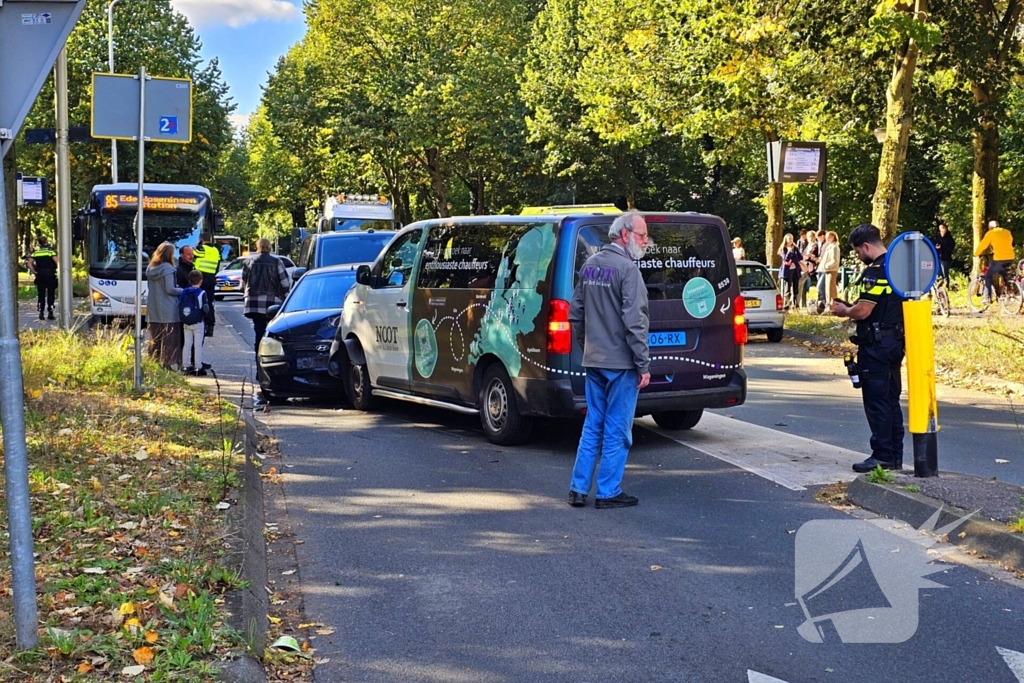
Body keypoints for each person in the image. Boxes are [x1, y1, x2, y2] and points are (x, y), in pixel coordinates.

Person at [567, 212, 651, 510]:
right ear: (625, 234)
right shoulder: (628, 270)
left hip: (595, 361)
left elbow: (575, 312)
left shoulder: (590, 265)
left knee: (593, 425)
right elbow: (635, 321)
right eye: (642, 236)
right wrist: (643, 364)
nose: (645, 242)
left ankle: (578, 488)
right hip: (621, 364)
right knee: (617, 428)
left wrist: (587, 346)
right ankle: (607, 491)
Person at [831, 224, 905, 473]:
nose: (857, 257)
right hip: (895, 342)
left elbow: (864, 310)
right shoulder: (897, 267)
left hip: (876, 346)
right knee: (891, 399)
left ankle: (882, 455)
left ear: (865, 246)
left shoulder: (875, 271)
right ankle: (895, 455)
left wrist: (845, 310)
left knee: (877, 401)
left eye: (856, 251)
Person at [242, 238, 290, 355]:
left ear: (257, 247)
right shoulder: (276, 262)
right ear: (270, 247)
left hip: (253, 304)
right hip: (272, 303)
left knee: (258, 332)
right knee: (271, 333)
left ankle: (259, 362)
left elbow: (243, 283)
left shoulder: (248, 262)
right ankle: (270, 357)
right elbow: (285, 283)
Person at [145, 242, 183, 370]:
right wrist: (184, 290)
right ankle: (167, 363)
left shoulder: (151, 268)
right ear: (169, 254)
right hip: (168, 308)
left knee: (155, 337)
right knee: (170, 337)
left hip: (153, 308)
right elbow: (170, 289)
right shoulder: (167, 268)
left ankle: (154, 362)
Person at [974, 219, 1015, 303]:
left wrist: (976, 253)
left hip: (999, 258)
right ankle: (1010, 291)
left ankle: (987, 297)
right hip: (1010, 257)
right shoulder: (1007, 232)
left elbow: (983, 245)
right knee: (1003, 273)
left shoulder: (991, 233)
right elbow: (1010, 242)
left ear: (990, 228)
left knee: (988, 276)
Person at [179, 269, 209, 376]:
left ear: (189, 280)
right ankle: (198, 367)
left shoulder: (184, 291)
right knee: (197, 345)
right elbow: (205, 308)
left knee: (187, 343)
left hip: (186, 321)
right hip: (198, 322)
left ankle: (185, 366)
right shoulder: (202, 293)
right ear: (201, 281)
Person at [194, 233, 220, 343]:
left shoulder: (201, 249)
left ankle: (198, 320)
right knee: (209, 302)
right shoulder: (215, 250)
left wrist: (197, 245)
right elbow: (218, 265)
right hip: (211, 279)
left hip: (201, 278)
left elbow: (193, 255)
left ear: (201, 240)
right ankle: (210, 325)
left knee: (198, 301)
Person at [26, 235, 58, 321]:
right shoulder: (50, 252)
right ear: (46, 242)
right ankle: (50, 312)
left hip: (40, 275)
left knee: (41, 294)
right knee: (51, 293)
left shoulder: (36, 253)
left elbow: (29, 263)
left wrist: (34, 272)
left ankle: (41, 312)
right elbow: (57, 262)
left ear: (39, 243)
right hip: (50, 275)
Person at [778, 233, 802, 309]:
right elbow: (785, 258)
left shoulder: (795, 248)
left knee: (796, 287)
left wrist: (792, 260)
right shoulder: (783, 248)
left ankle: (795, 303)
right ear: (786, 240)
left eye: (792, 238)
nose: (791, 240)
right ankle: (786, 303)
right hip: (787, 270)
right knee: (788, 287)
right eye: (789, 239)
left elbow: (800, 257)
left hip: (795, 269)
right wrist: (790, 252)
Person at [819, 231, 841, 306]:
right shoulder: (829, 246)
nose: (827, 239)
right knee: (828, 289)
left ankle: (833, 306)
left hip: (832, 270)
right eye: (826, 237)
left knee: (831, 289)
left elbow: (835, 260)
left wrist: (826, 266)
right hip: (828, 270)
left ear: (833, 237)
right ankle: (829, 305)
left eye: (829, 237)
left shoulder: (834, 247)